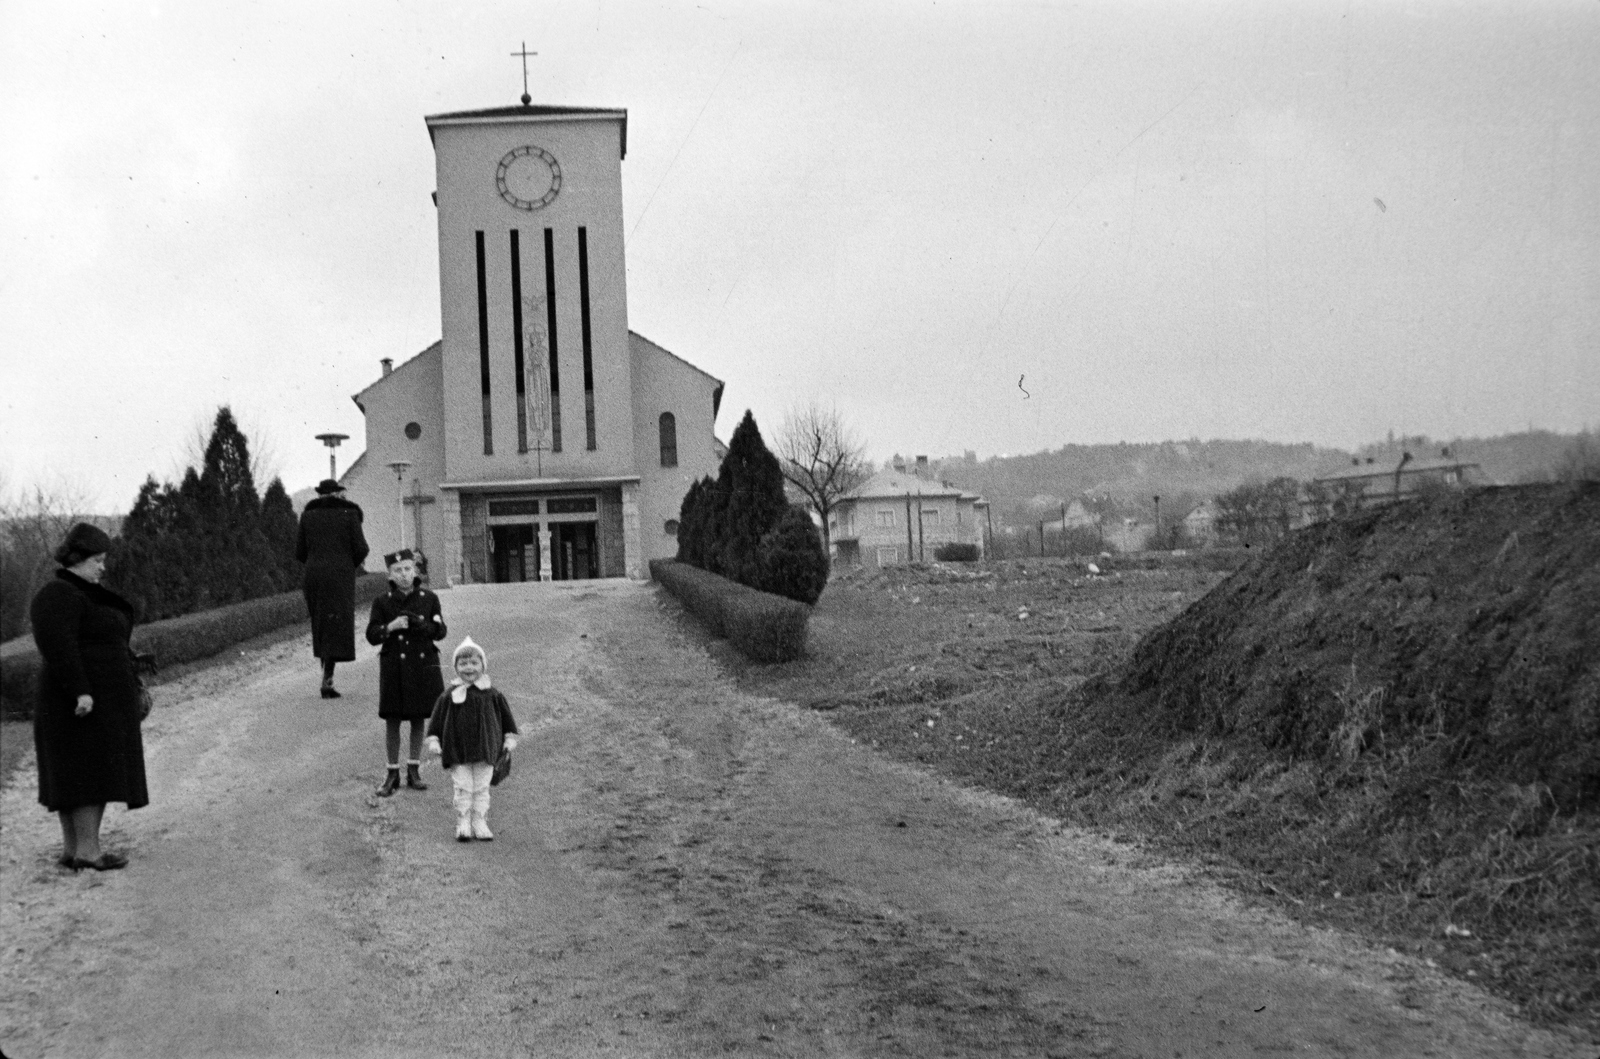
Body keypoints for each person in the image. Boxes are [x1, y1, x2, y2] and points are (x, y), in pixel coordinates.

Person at [30, 523, 148, 871]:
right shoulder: (58, 593)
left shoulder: (81, 592)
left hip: (98, 699)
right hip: (78, 703)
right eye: (97, 560)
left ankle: (74, 850)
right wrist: (81, 691)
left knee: (81, 774)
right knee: (86, 775)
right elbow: (58, 647)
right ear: (76, 559)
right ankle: (87, 852)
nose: (103, 566)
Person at [365, 549, 446, 797]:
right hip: (394, 666)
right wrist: (390, 627)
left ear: (416, 571)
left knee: (418, 717)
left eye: (408, 569)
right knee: (392, 718)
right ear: (390, 574)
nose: (404, 575)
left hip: (421, 664)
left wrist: (423, 625)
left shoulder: (429, 598)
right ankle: (392, 773)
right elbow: (371, 635)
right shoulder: (382, 602)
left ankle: (413, 770)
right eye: (398, 570)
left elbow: (440, 631)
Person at [425, 638, 518, 841]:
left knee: (482, 787)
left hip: (486, 749)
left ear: (482, 666)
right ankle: (463, 821)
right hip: (458, 750)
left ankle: (480, 821)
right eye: (463, 663)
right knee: (463, 786)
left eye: (474, 663)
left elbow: (506, 719)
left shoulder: (492, 694)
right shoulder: (449, 696)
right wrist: (434, 740)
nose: (469, 667)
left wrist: (508, 738)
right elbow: (436, 721)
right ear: (456, 667)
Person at [296, 479, 369, 698]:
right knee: (338, 623)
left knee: (320, 622)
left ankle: (325, 671)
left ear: (319, 495)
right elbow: (362, 548)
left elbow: (300, 552)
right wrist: (347, 564)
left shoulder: (307, 516)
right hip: (340, 576)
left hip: (314, 575)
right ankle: (328, 676)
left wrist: (316, 562)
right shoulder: (349, 514)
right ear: (338, 494)